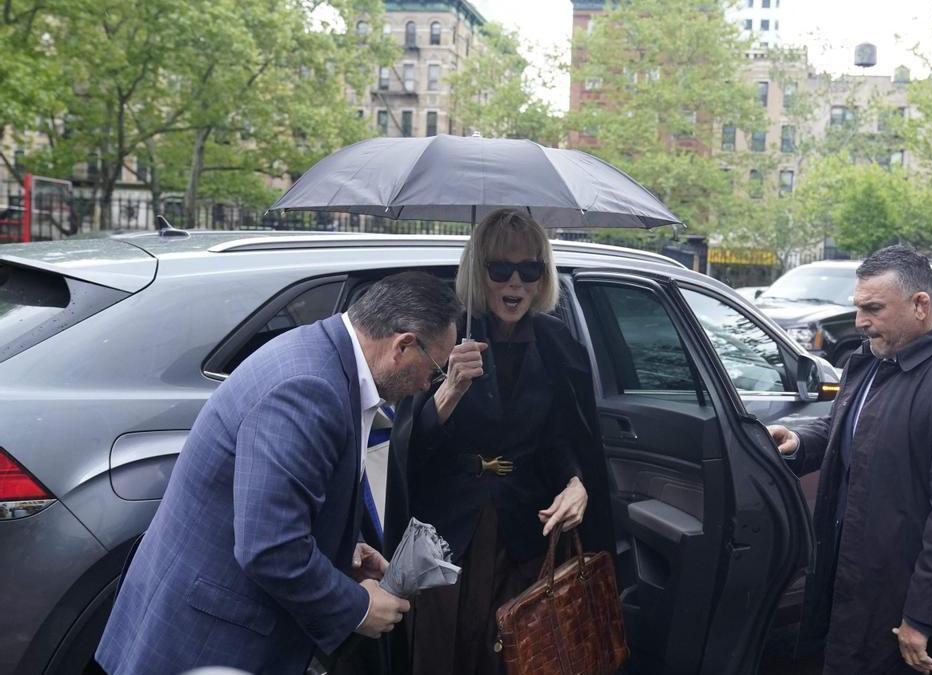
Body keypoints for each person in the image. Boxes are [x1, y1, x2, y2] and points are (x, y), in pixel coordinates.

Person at [96, 272, 461, 675]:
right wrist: (357, 607)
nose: (432, 383)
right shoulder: (309, 387)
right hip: (208, 640)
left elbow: (289, 499)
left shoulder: (321, 355)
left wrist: (345, 546)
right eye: (435, 369)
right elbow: (270, 546)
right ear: (403, 344)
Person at [385, 208, 612, 675]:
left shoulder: (554, 342)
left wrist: (575, 483)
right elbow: (408, 448)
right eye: (500, 269)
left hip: (521, 532)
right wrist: (447, 393)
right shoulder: (446, 334)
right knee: (444, 655)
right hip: (448, 532)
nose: (516, 283)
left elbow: (561, 438)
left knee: (513, 654)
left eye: (530, 270)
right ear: (479, 271)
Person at [767, 246, 932, 674]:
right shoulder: (875, 359)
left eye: (873, 309)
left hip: (901, 601)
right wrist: (800, 442)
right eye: (859, 308)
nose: (861, 322)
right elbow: (852, 427)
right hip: (858, 580)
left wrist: (923, 617)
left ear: (920, 305)